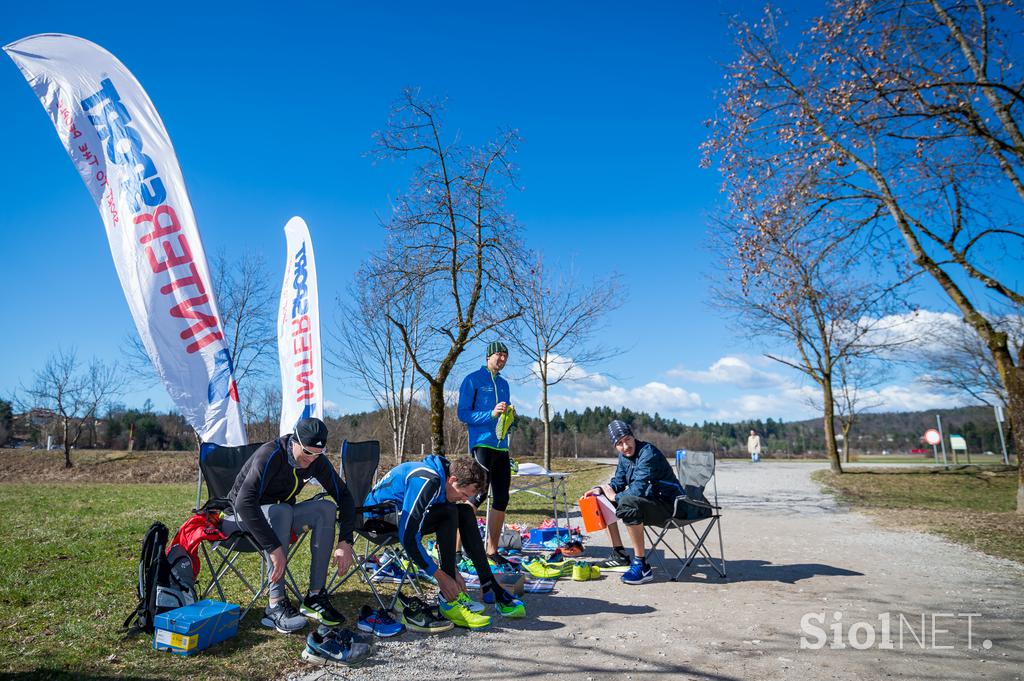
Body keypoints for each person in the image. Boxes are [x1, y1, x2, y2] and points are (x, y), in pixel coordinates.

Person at [224, 417, 356, 634]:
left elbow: (345, 497)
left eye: (317, 454)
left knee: (326, 509)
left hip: (278, 516)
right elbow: (244, 503)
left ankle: (315, 596)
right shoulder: (271, 454)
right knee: (282, 511)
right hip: (237, 518)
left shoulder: (316, 460)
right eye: (307, 452)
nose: (311, 459)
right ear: (294, 440)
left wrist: (345, 541)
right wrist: (273, 547)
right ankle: (275, 604)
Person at [364, 454, 527, 627]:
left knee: (463, 511)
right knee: (449, 513)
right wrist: (440, 576)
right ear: (453, 480)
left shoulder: (444, 476)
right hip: (375, 521)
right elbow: (408, 536)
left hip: (397, 516)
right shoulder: (428, 480)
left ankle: (488, 584)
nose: (465, 498)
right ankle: (448, 598)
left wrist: (452, 568)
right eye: (464, 494)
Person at [582, 419, 684, 585]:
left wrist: (615, 497)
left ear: (633, 436)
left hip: (671, 505)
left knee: (628, 503)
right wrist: (600, 490)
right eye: (619, 443)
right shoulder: (624, 457)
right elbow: (618, 482)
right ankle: (619, 554)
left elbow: (637, 489)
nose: (625, 446)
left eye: (627, 439)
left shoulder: (648, 453)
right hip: (652, 501)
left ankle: (641, 565)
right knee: (597, 500)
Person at [457, 341, 515, 564]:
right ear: (488, 356)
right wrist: (490, 414)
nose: (502, 359)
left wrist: (509, 419)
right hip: (482, 445)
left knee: (502, 498)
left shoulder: (505, 384)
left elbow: (503, 418)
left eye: (505, 356)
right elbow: (463, 413)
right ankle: (455, 550)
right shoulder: (472, 379)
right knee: (475, 495)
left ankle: (492, 551)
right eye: (499, 355)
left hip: (502, 447)